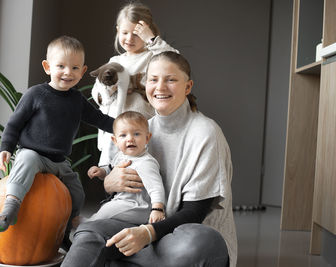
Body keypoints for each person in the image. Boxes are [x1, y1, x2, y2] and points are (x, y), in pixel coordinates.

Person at [61, 51, 237, 267]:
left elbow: (195, 212)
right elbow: (123, 195)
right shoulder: (141, 130)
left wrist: (147, 233)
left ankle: (118, 259)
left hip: (178, 235)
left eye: (171, 79)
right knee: (90, 231)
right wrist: (110, 183)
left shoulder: (206, 133)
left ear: (188, 87)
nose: (160, 87)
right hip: (141, 229)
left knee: (199, 243)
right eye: (153, 80)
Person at [0, 36, 114, 238]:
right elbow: (14, 124)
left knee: (77, 193)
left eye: (75, 68)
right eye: (61, 66)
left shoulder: (77, 100)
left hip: (59, 161)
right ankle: (9, 209)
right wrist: (6, 148)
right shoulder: (35, 94)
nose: (68, 72)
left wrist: (120, 126)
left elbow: (98, 119)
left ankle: (64, 232)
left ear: (83, 72)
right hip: (33, 153)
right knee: (26, 161)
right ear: (47, 67)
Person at [92, 2, 179, 171]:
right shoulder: (115, 62)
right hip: (117, 128)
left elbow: (176, 62)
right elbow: (98, 94)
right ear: (118, 31)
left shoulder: (153, 57)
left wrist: (151, 40)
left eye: (136, 34)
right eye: (125, 33)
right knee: (114, 171)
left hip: (142, 127)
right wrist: (109, 89)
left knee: (142, 171)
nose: (129, 39)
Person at [87, 111, 165, 224]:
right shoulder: (120, 156)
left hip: (139, 207)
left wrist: (157, 209)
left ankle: (88, 222)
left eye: (136, 134)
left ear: (147, 138)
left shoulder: (146, 162)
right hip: (124, 202)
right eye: (123, 135)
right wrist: (102, 172)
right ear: (115, 141)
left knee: (108, 210)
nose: (130, 139)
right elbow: (111, 170)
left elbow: (156, 188)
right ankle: (98, 222)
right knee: (108, 208)